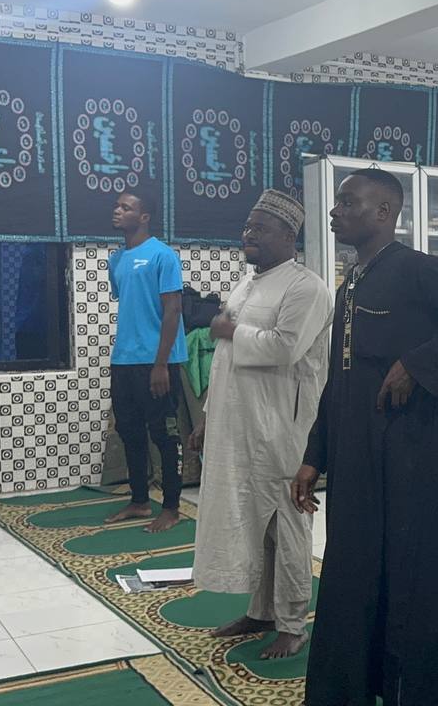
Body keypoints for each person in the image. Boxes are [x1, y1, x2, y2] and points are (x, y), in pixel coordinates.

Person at [293, 168, 438, 705]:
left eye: (348, 202)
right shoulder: (352, 282)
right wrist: (315, 455)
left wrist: (419, 364)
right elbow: (339, 377)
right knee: (353, 571)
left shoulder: (417, 270)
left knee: (410, 576)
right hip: (355, 458)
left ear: (384, 212)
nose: (335, 211)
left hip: (411, 456)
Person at [189, 189, 333, 659]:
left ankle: (292, 623)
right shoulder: (246, 284)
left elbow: (286, 347)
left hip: (282, 428)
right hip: (238, 425)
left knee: (288, 525)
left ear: (288, 236)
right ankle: (261, 611)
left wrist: (233, 330)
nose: (248, 234)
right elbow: (225, 360)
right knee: (255, 523)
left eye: (260, 228)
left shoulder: (306, 287)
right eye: (248, 226)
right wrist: (207, 416)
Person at [104, 191, 189, 533]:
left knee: (165, 435)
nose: (117, 211)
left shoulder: (162, 255)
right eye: (117, 205)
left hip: (157, 362)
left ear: (144, 217)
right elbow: (130, 305)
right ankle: (139, 500)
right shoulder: (116, 260)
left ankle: (171, 508)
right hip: (124, 360)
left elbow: (173, 310)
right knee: (129, 432)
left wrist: (161, 364)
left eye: (126, 207)